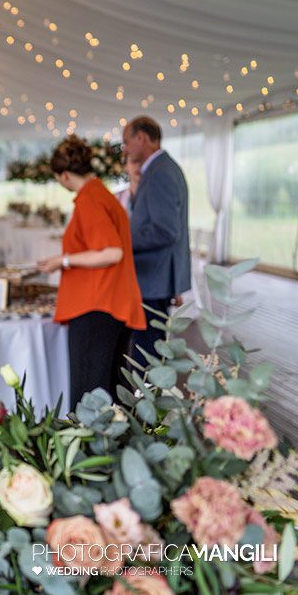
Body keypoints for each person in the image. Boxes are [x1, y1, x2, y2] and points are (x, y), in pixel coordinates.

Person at [37, 135, 145, 408]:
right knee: (110, 392)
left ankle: (86, 451)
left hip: (97, 306)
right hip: (112, 303)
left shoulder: (90, 200)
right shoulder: (101, 195)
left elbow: (112, 252)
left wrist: (63, 260)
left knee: (88, 397)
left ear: (63, 176)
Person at [121, 115, 191, 362]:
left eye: (126, 142)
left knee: (147, 354)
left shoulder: (161, 172)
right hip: (154, 277)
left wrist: (121, 241)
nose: (125, 149)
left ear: (141, 138)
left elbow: (166, 230)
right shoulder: (158, 169)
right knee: (147, 349)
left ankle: (147, 399)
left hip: (154, 279)